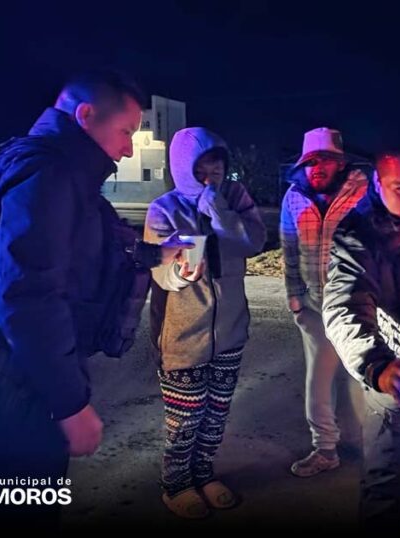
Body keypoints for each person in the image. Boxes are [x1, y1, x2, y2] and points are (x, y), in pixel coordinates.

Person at [0, 70, 189, 493]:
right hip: (17, 388)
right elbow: (27, 296)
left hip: (1, 374)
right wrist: (69, 404)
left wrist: (156, 253)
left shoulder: (37, 164)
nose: (128, 149)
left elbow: (84, 248)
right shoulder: (48, 174)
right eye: (126, 131)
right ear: (86, 115)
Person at [322, 132, 400, 529]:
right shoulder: (358, 235)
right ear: (377, 183)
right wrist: (377, 368)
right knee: (383, 484)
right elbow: (343, 308)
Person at [145, 127, 266, 519]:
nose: (211, 171)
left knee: (216, 413)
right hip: (182, 336)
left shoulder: (234, 198)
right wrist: (181, 270)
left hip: (229, 331)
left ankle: (204, 473)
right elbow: (160, 272)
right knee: (185, 418)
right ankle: (175, 483)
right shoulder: (163, 208)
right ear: (183, 166)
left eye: (217, 163)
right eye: (201, 165)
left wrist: (220, 211)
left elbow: (253, 242)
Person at [280, 127, 367, 477]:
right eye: (311, 161)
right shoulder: (294, 197)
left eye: (326, 160)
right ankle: (325, 449)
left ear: (340, 164)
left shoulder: (362, 194)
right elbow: (288, 251)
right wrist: (294, 297)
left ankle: (371, 446)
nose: (318, 168)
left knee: (362, 377)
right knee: (318, 379)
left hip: (357, 305)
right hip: (314, 306)